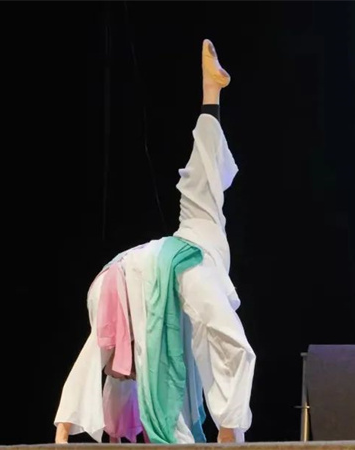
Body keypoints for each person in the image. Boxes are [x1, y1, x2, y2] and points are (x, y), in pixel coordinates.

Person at [53, 39, 255, 445]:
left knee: (111, 350)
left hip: (123, 268)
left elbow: (206, 160)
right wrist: (210, 94)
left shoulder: (201, 215)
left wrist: (212, 95)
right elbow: (205, 159)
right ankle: (229, 430)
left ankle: (63, 430)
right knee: (230, 343)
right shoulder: (202, 221)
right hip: (180, 259)